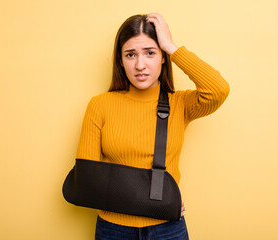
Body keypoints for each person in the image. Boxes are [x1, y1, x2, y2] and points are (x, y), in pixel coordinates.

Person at [75, 13, 230, 240]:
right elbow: (88, 180)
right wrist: (153, 205)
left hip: (168, 229)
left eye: (150, 53)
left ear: (163, 57)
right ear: (120, 60)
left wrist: (171, 46)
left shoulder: (181, 104)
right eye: (130, 55)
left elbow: (218, 89)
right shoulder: (100, 105)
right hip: (113, 230)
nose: (140, 65)